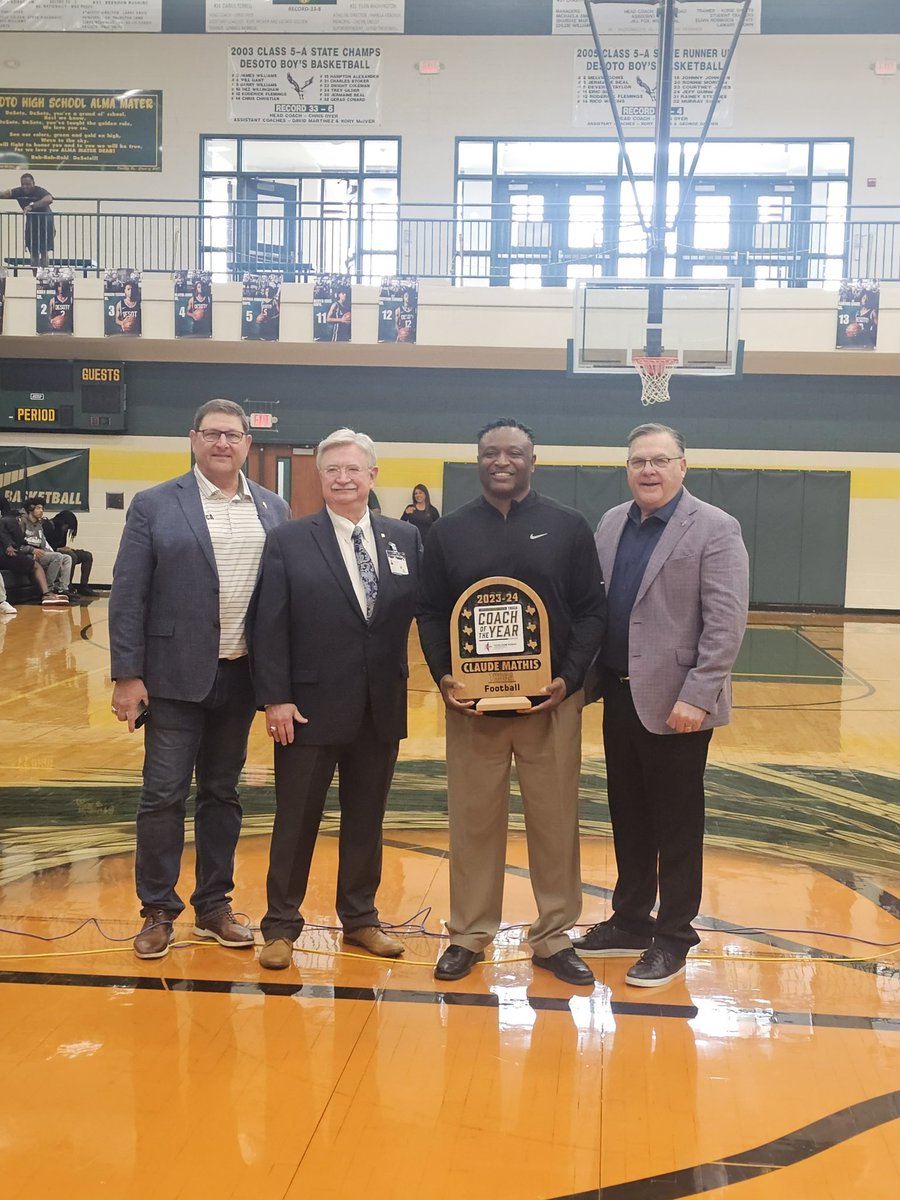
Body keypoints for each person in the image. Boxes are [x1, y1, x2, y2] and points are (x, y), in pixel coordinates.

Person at [417, 418, 606, 986]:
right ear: (478, 461)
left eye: (515, 452)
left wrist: (567, 681)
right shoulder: (448, 532)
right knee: (472, 823)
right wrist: (446, 676)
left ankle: (553, 937)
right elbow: (429, 611)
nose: (502, 461)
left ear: (532, 460)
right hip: (474, 708)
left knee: (555, 823)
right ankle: (470, 934)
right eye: (491, 453)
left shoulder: (569, 527)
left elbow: (592, 612)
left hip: (549, 705)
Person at [108, 399, 290, 959]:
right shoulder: (155, 504)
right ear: (193, 439)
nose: (222, 444)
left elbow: (282, 598)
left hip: (240, 678)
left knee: (222, 793)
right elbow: (129, 592)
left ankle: (214, 906)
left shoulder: (273, 507)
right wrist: (126, 675)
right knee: (163, 795)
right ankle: (158, 910)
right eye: (212, 434)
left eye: (232, 435)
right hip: (172, 678)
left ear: (247, 445)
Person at [574, 423, 749, 987]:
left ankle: (674, 935)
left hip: (678, 704)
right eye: (637, 461)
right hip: (619, 692)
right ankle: (630, 920)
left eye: (659, 460)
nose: (647, 470)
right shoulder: (610, 523)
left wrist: (698, 695)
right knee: (627, 813)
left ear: (682, 466)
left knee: (675, 822)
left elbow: (726, 623)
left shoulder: (716, 528)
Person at [252, 429, 422, 970]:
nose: (343, 478)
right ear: (319, 478)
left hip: (379, 706)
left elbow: (424, 615)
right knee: (295, 820)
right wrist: (275, 698)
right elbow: (268, 625)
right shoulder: (288, 540)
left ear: (373, 476)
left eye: (354, 469)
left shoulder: (405, 539)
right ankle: (280, 926)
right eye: (332, 471)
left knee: (366, 819)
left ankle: (361, 919)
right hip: (307, 709)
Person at [0, 508, 56, 605]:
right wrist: (9, 545)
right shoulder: (10, 520)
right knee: (36, 566)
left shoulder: (6, 520)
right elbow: (17, 540)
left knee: (30, 561)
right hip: (5, 554)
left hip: (6, 552)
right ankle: (46, 593)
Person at [1, 173, 54, 274]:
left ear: (33, 183)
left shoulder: (39, 191)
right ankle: (35, 275)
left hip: (45, 223)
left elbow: (49, 199)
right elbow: (6, 193)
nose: (25, 186)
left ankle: (44, 275)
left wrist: (32, 206)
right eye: (23, 184)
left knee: (44, 251)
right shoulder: (19, 191)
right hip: (32, 223)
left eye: (28, 184)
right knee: (33, 251)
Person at [21, 497, 72, 602]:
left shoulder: (40, 525)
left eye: (42, 508)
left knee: (66, 558)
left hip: (40, 553)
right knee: (57, 556)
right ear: (31, 509)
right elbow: (18, 543)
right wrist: (30, 549)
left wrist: (52, 553)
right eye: (38, 508)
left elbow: (44, 544)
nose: (41, 511)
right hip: (28, 553)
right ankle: (48, 590)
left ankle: (63, 589)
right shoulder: (22, 522)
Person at [42, 509, 97, 596]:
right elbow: (45, 546)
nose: (67, 529)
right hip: (52, 552)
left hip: (61, 550)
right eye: (66, 526)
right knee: (72, 556)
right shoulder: (49, 526)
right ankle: (68, 585)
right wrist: (59, 549)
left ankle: (84, 585)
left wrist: (66, 548)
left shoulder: (63, 529)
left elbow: (62, 544)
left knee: (87, 556)